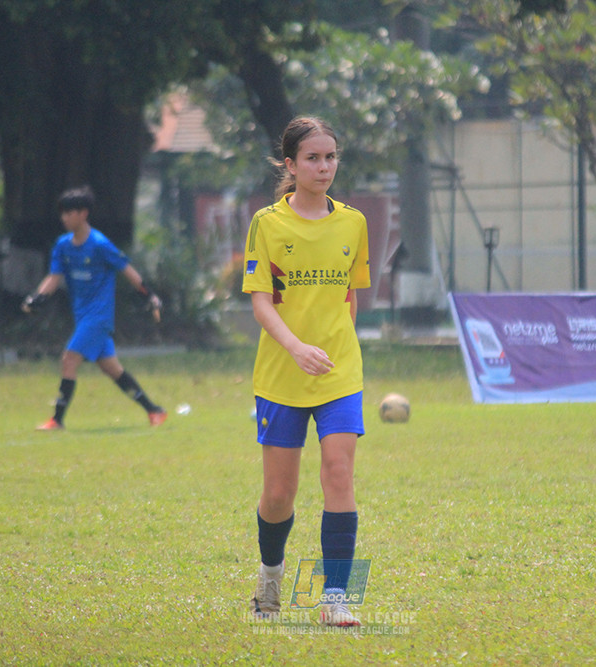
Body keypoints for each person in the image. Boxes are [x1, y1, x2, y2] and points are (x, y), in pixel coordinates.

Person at [241, 117, 371, 627]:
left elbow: (348, 296)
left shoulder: (353, 222)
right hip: (281, 375)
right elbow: (260, 303)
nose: (324, 167)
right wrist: (296, 348)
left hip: (339, 373)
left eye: (331, 157)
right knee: (279, 495)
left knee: (339, 473)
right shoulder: (267, 223)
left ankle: (336, 598)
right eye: (313, 158)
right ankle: (269, 578)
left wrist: (338, 352)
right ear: (290, 165)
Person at [22, 185, 167, 430]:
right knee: (112, 369)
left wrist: (149, 295)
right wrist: (36, 297)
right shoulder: (63, 245)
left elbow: (127, 270)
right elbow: (54, 277)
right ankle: (154, 410)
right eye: (62, 213)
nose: (64, 218)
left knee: (69, 360)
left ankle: (57, 419)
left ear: (83, 214)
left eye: (69, 213)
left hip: (98, 317)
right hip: (82, 316)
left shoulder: (100, 244)